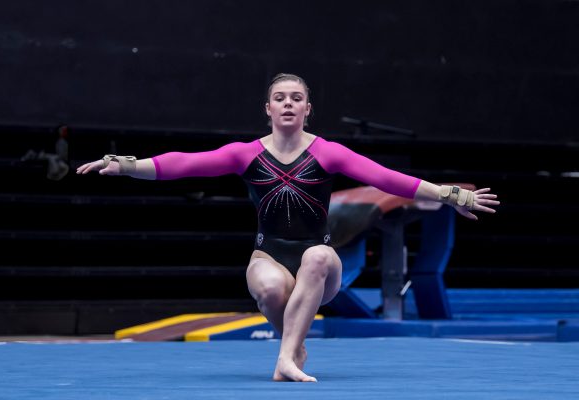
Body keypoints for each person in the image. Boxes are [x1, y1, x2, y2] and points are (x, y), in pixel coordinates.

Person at [77, 73, 499, 382]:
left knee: (316, 256)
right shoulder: (245, 154)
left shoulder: (328, 152)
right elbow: (184, 163)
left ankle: (285, 356)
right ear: (268, 108)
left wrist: (451, 194)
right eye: (280, 98)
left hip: (320, 261)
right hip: (269, 255)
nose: (288, 104)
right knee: (268, 289)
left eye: (296, 98)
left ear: (307, 109)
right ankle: (293, 349)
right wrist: (126, 166)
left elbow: (386, 178)